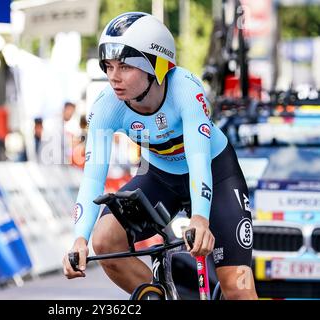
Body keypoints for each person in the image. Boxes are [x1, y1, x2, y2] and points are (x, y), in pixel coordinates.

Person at [62, 12, 257, 300]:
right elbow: (93, 177)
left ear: (158, 65)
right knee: (104, 242)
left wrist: (201, 218)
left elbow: (199, 161)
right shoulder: (106, 105)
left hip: (215, 173)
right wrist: (80, 238)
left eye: (126, 66)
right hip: (160, 177)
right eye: (109, 66)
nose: (114, 76)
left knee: (237, 287)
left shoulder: (186, 90)